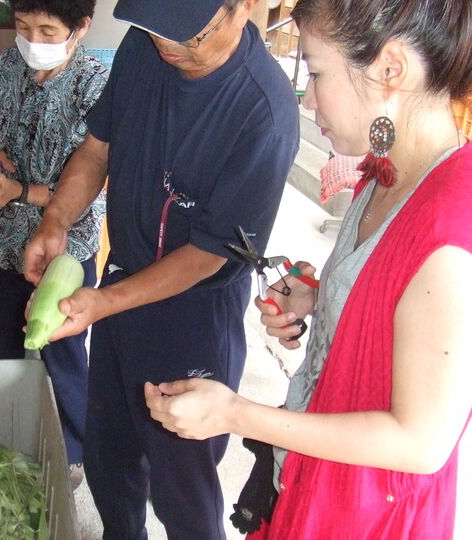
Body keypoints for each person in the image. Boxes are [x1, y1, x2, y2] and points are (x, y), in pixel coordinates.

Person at [145, 0, 472, 537]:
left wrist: (235, 414)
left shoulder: (450, 233)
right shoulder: (385, 172)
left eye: (317, 72)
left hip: (365, 515)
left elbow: (420, 442)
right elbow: (393, 300)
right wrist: (321, 298)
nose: (308, 98)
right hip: (313, 478)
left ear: (390, 69)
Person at [23, 0, 299, 536]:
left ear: (243, 8)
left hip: (193, 313)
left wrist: (101, 302)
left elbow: (205, 256)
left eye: (188, 35)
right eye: (156, 29)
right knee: (110, 458)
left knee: (181, 484)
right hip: (123, 279)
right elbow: (97, 150)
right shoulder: (145, 48)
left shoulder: (264, 112)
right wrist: (56, 218)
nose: (167, 45)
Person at [0, 0, 107, 481]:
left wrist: (21, 192)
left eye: (48, 31)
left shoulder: (96, 84)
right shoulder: (8, 65)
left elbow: (93, 182)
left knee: (61, 352)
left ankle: (72, 453)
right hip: (5, 238)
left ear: (80, 27)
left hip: (65, 247)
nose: (33, 42)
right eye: (23, 27)